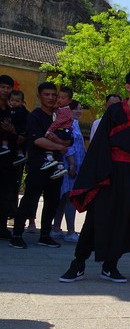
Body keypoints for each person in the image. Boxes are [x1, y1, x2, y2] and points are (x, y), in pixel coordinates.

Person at [59, 71, 130, 283]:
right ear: (128, 87)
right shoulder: (114, 112)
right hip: (108, 173)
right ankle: (78, 264)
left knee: (123, 220)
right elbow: (100, 144)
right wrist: (101, 174)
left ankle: (110, 265)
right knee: (95, 219)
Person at [9, 82, 72, 249]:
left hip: (56, 166)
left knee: (52, 201)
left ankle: (45, 235)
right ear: (39, 96)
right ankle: (17, 234)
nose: (51, 98)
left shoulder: (60, 116)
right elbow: (38, 140)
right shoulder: (34, 116)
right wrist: (60, 146)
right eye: (47, 94)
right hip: (38, 164)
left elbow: (69, 139)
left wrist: (59, 142)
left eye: (54, 95)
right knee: (30, 199)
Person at [52, 100, 85, 243]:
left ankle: (56, 228)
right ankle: (70, 230)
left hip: (76, 165)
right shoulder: (68, 124)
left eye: (80, 109)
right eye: (76, 109)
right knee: (69, 198)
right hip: (68, 165)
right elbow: (69, 145)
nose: (79, 111)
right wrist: (72, 164)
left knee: (65, 198)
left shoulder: (75, 123)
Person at [0, 75, 22, 238]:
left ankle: (1, 227)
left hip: (8, 158)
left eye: (8, 87)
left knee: (6, 193)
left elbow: (22, 137)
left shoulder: (14, 111)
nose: (5, 90)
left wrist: (13, 130)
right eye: (2, 87)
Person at [40, 86, 75, 178]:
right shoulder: (60, 108)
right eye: (58, 97)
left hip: (63, 131)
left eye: (63, 98)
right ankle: (60, 166)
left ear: (70, 100)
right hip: (62, 131)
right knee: (58, 149)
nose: (59, 100)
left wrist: (49, 131)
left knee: (49, 139)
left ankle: (50, 158)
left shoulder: (66, 111)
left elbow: (57, 122)